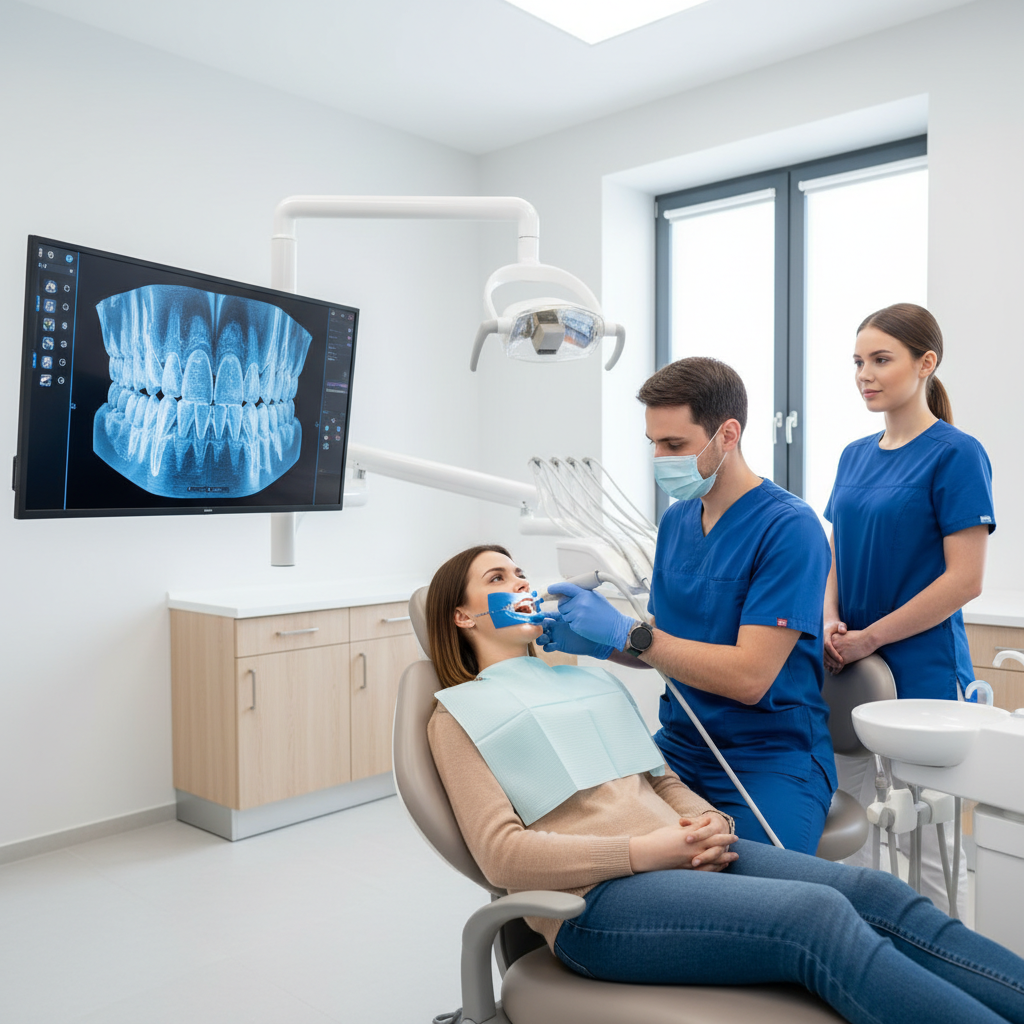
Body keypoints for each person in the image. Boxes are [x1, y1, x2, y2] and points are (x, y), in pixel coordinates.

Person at [425, 544, 1024, 1024]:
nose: (522, 585)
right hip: (598, 903)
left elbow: (660, 781)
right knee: (816, 918)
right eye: (499, 579)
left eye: (522, 572)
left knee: (877, 895)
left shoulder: (588, 683)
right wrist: (641, 852)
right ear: (462, 616)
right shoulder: (458, 716)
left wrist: (711, 821)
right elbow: (501, 856)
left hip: (687, 855)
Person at [538, 357, 835, 854]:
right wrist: (597, 644)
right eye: (653, 443)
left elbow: (749, 677)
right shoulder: (676, 522)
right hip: (680, 745)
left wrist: (629, 633)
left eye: (674, 445)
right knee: (600, 855)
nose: (660, 458)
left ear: (728, 434)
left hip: (768, 756)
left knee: (749, 892)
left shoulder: (789, 528)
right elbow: (661, 645)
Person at [824, 303, 994, 913]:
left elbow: (964, 581)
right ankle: (860, 964)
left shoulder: (956, 454)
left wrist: (872, 638)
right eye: (858, 362)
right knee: (851, 834)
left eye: (880, 360)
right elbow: (837, 553)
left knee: (928, 847)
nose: (865, 374)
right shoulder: (852, 455)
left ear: (926, 364)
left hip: (922, 672)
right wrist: (830, 621)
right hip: (847, 671)